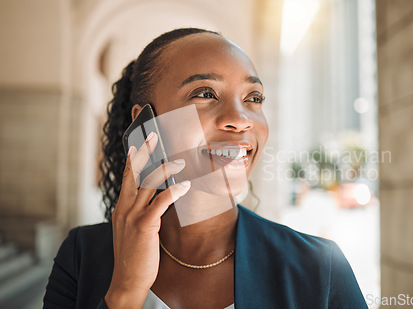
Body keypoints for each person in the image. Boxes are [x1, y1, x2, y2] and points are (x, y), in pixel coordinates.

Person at [43, 28, 367, 309]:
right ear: (146, 123)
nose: (240, 120)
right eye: (205, 93)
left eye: (253, 97)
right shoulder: (81, 255)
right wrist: (125, 293)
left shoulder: (320, 267)